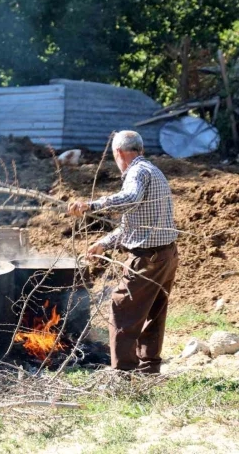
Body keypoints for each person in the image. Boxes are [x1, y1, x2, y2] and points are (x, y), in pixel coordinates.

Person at [68, 130, 179, 374]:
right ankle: (149, 368)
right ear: (141, 149)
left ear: (118, 153)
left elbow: (130, 197)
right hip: (166, 255)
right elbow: (132, 224)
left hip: (148, 258)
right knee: (153, 313)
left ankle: (122, 373)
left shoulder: (137, 172)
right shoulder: (152, 170)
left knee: (121, 308)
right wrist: (104, 244)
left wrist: (92, 205)